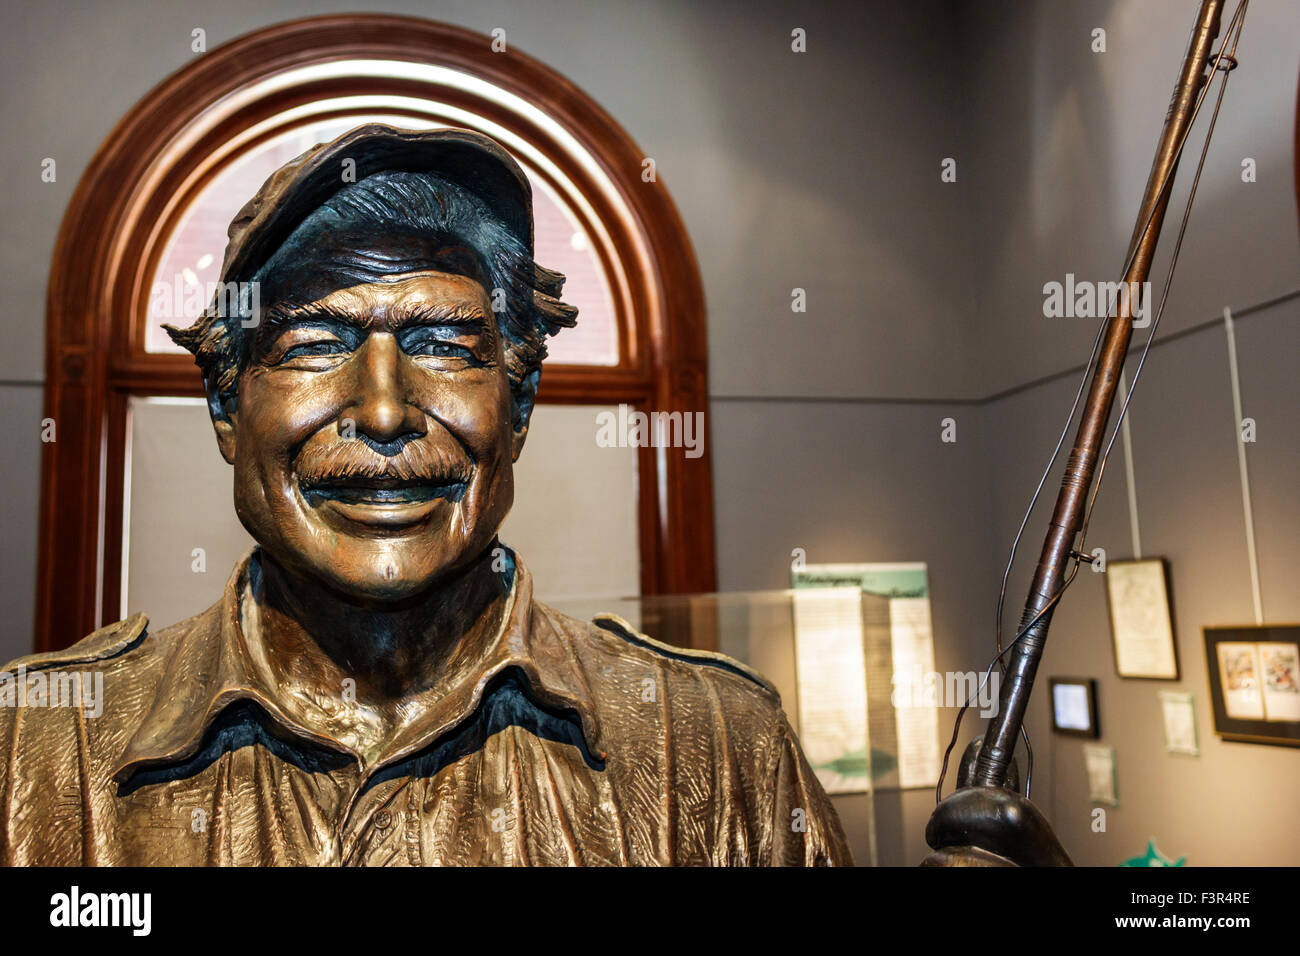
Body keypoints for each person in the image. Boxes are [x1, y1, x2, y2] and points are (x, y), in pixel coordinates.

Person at [0, 125, 852, 866]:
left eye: (445, 345)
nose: (382, 411)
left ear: (517, 407)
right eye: (312, 345)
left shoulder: (719, 748)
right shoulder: (35, 751)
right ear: (227, 407)